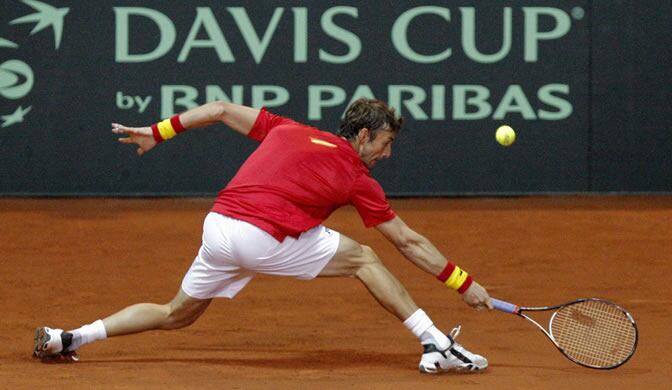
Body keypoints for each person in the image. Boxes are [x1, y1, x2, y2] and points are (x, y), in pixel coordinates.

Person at [33, 99, 493, 373]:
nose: (388, 154)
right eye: (385, 144)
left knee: (176, 313)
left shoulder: (288, 129)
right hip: (260, 236)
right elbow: (408, 242)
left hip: (217, 227)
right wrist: (463, 283)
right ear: (363, 135)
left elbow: (218, 109)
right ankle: (436, 342)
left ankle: (69, 337)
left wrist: (158, 130)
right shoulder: (357, 178)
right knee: (365, 259)